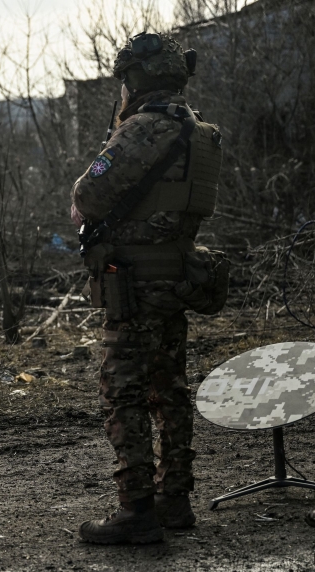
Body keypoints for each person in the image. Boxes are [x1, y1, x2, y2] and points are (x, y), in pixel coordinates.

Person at [70, 33, 224, 544]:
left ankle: (136, 509)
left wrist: (83, 194)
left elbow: (89, 195)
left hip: (134, 284)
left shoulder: (141, 128)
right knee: (170, 388)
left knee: (124, 392)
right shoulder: (201, 132)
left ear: (136, 79)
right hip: (176, 276)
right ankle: (174, 498)